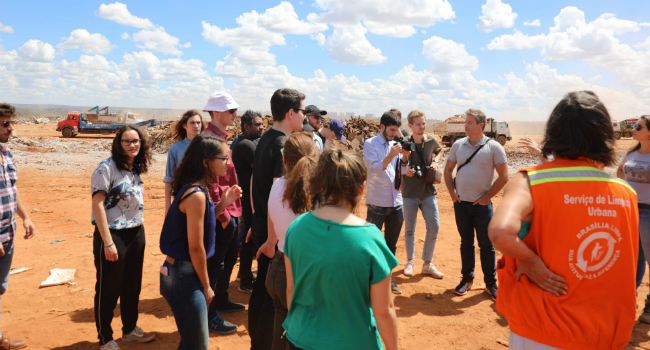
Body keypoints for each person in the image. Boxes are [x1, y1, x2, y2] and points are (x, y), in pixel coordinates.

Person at [489, 91, 638, 350]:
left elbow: (500, 232)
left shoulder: (530, 182)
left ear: (554, 132)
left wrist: (531, 261)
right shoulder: (626, 193)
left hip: (543, 328)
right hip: (607, 332)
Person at [283, 149, 400, 350]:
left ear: (319, 184)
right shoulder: (370, 237)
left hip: (300, 339)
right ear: (361, 188)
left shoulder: (296, 227)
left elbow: (291, 290)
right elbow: (383, 310)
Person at [160, 134, 242, 350]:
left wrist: (222, 204)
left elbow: (201, 224)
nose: (228, 162)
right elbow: (196, 248)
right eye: (223, 158)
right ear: (206, 162)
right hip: (183, 276)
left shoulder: (196, 189)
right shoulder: (196, 194)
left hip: (179, 273)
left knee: (191, 341)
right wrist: (207, 286)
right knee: (197, 345)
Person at [249, 88, 306, 350]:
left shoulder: (265, 138)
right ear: (291, 112)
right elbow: (281, 190)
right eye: (303, 111)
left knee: (263, 290)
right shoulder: (282, 143)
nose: (304, 116)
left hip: (264, 223)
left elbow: (253, 182)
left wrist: (255, 219)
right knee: (275, 300)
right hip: (277, 231)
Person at [91, 125, 155, 350]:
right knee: (108, 288)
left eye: (136, 141)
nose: (132, 145)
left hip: (136, 232)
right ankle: (105, 338)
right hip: (113, 235)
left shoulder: (134, 167)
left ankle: (129, 329)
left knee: (132, 285)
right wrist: (108, 242)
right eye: (127, 141)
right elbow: (98, 204)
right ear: (118, 144)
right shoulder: (106, 168)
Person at [255, 132, 317, 350]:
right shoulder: (317, 194)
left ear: (284, 160)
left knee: (281, 339)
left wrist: (271, 243)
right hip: (302, 274)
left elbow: (273, 233)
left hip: (278, 271)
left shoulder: (277, 186)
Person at [443, 109, 508, 299]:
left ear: (481, 125)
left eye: (470, 122)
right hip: (461, 205)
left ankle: (490, 284)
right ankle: (467, 280)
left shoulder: (494, 147)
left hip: (482, 207)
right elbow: (448, 171)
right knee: (466, 243)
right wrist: (453, 195)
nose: (465, 126)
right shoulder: (458, 145)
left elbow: (504, 177)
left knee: (487, 245)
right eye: (465, 122)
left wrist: (487, 197)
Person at [201, 91, 244, 334]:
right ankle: (210, 316)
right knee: (214, 266)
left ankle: (221, 300)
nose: (235, 114)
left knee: (225, 262)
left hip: (230, 209)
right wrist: (224, 216)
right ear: (217, 112)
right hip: (222, 213)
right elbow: (211, 181)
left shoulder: (221, 137)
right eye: (231, 111)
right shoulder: (210, 139)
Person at [0, 103, 35, 350]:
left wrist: (25, 216)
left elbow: (13, 189)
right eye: (5, 123)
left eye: (11, 123)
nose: (11, 128)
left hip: (7, 233)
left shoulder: (6, 154)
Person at [364, 110, 409, 294]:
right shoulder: (370, 144)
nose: (393, 134)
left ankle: (387, 279)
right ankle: (369, 281)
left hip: (396, 202)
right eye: (391, 130)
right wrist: (391, 155)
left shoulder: (396, 145)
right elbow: (374, 170)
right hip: (377, 202)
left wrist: (404, 157)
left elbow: (402, 171)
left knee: (391, 244)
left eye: (396, 130)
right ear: (382, 127)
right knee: (371, 243)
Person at [400, 110, 444, 278]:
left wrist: (436, 160)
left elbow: (440, 149)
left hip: (428, 191)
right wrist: (405, 166)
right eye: (418, 124)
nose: (422, 126)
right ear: (410, 126)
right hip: (409, 191)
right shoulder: (404, 142)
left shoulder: (431, 141)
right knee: (410, 229)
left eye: (423, 123)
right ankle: (410, 261)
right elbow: (399, 164)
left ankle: (427, 263)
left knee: (434, 227)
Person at [617, 114, 650, 324]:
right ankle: (630, 297)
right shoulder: (631, 154)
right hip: (630, 211)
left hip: (649, 213)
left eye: (638, 126)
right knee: (633, 258)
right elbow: (619, 172)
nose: (633, 129)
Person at [231, 110, 264, 294]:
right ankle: (245, 280)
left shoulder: (249, 142)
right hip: (248, 200)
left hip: (249, 197)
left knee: (249, 238)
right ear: (246, 126)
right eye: (257, 125)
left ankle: (243, 274)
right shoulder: (245, 145)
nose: (261, 127)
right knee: (249, 238)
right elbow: (261, 168)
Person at [164, 109, 205, 214]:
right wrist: (168, 206)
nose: (196, 125)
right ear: (184, 125)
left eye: (198, 122)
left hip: (205, 197)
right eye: (192, 123)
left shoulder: (207, 147)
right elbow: (169, 179)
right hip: (182, 198)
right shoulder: (175, 149)